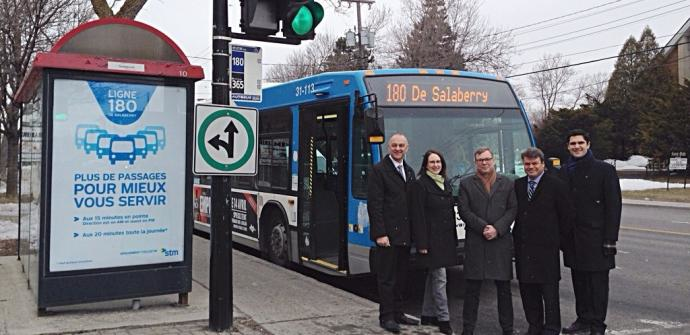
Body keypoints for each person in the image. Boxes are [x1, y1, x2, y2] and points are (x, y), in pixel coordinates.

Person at [558, 129, 622, 335]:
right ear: (568, 147)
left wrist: (610, 239)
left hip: (597, 239)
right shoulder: (565, 171)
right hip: (574, 239)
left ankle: (597, 325)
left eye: (580, 143)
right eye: (572, 143)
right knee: (580, 282)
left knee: (597, 285)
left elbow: (614, 207)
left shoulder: (604, 170)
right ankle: (583, 319)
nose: (576, 147)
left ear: (588, 144)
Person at [514, 147, 574, 335]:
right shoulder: (518, 185)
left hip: (547, 249)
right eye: (527, 164)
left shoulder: (556, 185)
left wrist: (557, 241)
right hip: (524, 248)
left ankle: (551, 328)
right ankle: (534, 325)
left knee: (549, 294)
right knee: (528, 291)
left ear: (542, 164)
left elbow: (566, 216)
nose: (530, 167)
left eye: (534, 163)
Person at [457, 147, 517, 335]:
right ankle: (468, 329)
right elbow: (464, 211)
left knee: (504, 290)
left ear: (493, 160)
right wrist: (483, 227)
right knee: (472, 290)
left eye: (487, 159)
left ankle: (507, 328)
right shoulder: (466, 183)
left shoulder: (507, 183)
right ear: (475, 162)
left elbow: (512, 209)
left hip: (500, 243)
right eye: (480, 160)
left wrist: (497, 229)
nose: (484, 162)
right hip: (476, 242)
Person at [367, 133, 419, 334]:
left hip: (404, 235)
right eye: (394, 145)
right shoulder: (379, 170)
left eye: (402, 146)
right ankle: (386, 317)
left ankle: (399, 313)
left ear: (407, 148)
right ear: (389, 147)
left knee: (401, 276)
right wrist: (380, 233)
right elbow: (375, 204)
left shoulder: (409, 170)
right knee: (387, 278)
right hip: (387, 236)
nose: (398, 149)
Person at [408, 150, 458, 335]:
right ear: (426, 165)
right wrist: (421, 244)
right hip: (430, 241)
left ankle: (427, 315)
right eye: (432, 162)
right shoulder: (420, 185)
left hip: (444, 240)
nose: (436, 165)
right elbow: (418, 216)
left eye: (438, 162)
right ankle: (444, 319)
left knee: (433, 278)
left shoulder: (445, 182)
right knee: (440, 279)